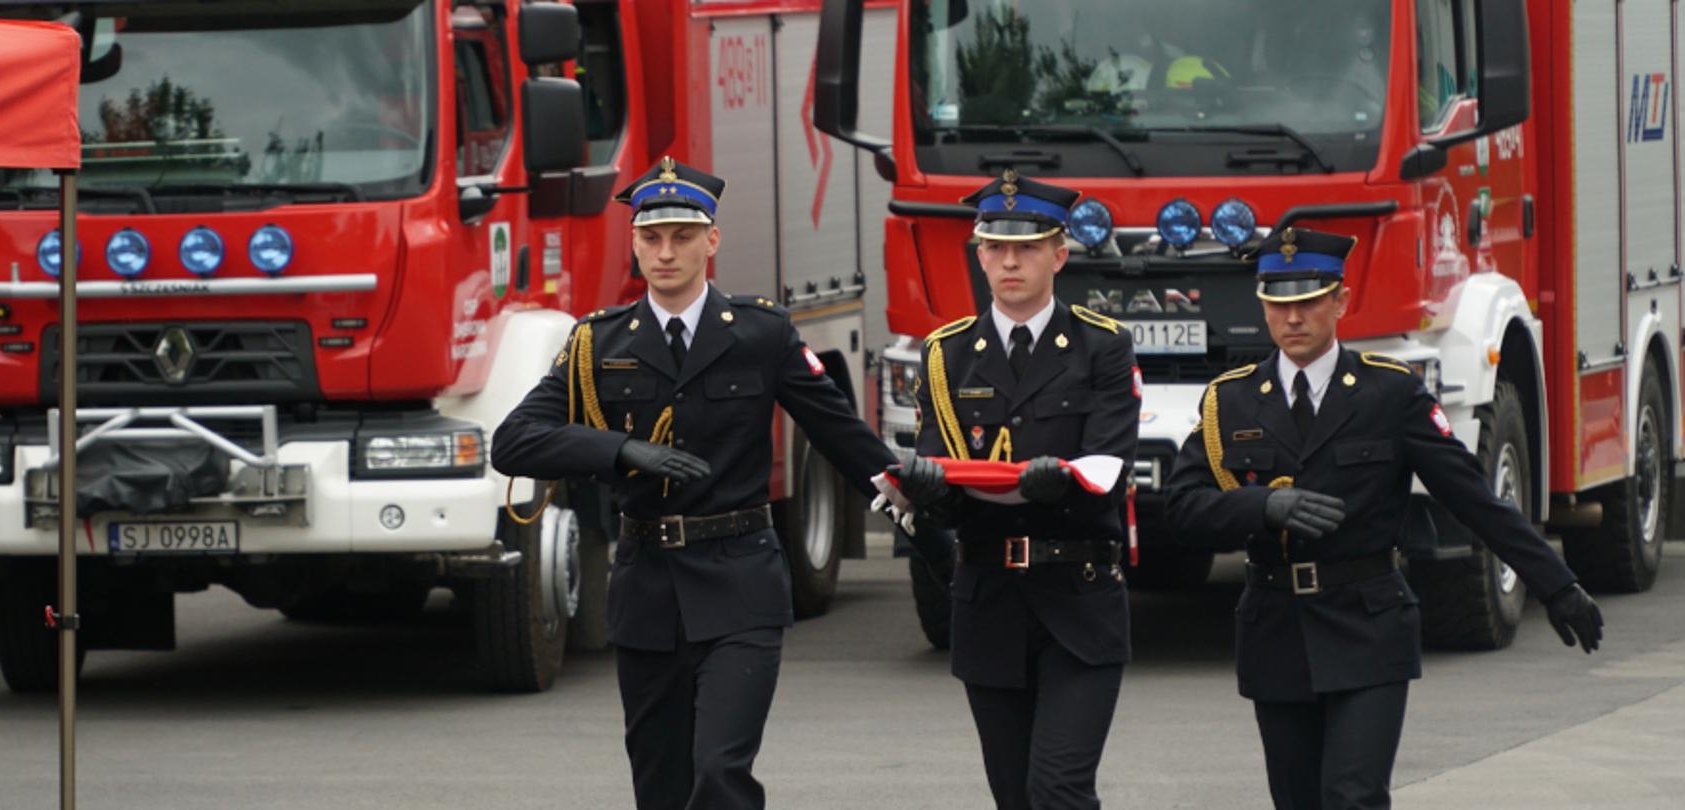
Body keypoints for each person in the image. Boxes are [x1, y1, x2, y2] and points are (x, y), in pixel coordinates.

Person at [490, 157, 897, 810]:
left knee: (720, 771)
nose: (666, 252)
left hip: (739, 582)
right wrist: (620, 450)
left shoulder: (761, 334)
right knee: (661, 787)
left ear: (712, 240)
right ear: (635, 243)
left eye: (682, 236)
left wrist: (917, 505)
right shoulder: (599, 342)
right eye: (651, 238)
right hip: (648, 587)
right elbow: (514, 441)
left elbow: (841, 433)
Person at [1162, 227, 1606, 810]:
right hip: (1277, 629)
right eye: (1278, 303)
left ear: (1340, 302)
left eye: (1308, 301)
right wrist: (1262, 507)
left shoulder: (1389, 393)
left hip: (1367, 624)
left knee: (1354, 795)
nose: (1292, 318)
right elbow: (1182, 508)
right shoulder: (1232, 399)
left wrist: (1557, 583)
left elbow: (1473, 497)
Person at [892, 170, 1140, 809]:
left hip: (1078, 597)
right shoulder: (947, 353)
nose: (1010, 261)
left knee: (1057, 788)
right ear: (979, 254)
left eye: (1028, 247)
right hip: (990, 600)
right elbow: (941, 479)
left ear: (1060, 253)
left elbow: (1108, 471)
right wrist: (923, 488)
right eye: (996, 247)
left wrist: (1058, 485)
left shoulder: (1102, 346)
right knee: (1014, 796)